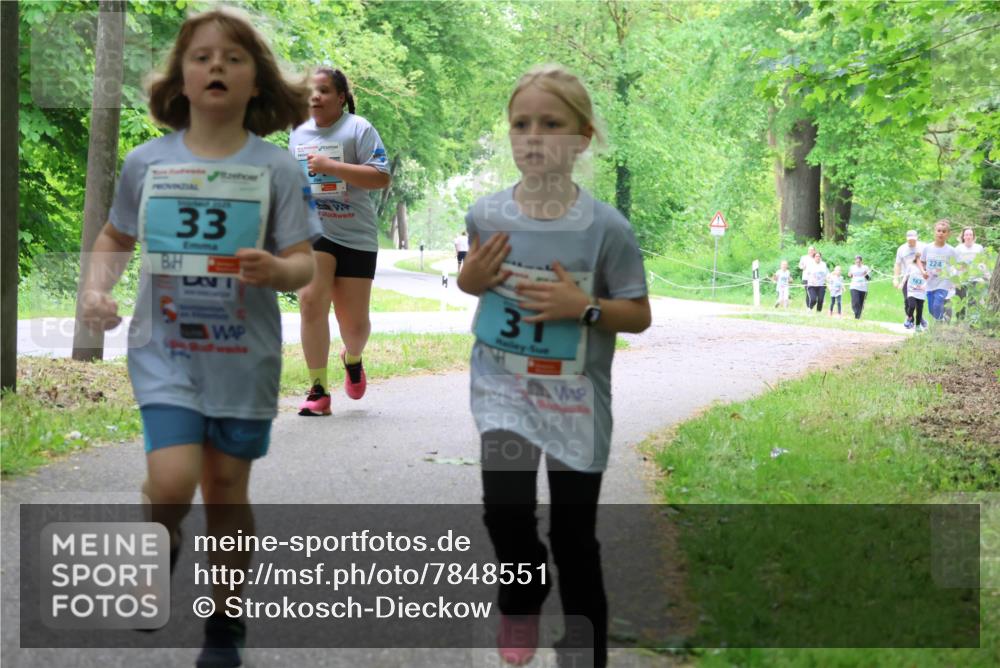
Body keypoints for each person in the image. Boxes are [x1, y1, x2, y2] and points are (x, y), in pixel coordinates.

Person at [79, 8, 318, 667]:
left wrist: (278, 270)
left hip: (244, 360)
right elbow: (116, 237)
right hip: (167, 352)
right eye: (202, 56)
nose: (217, 65)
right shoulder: (146, 162)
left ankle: (225, 623)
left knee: (226, 491)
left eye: (234, 58)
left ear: (257, 84)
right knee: (173, 479)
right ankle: (162, 537)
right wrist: (97, 291)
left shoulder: (277, 170)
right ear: (180, 79)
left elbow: (304, 262)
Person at [457, 65, 651, 668]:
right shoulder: (487, 215)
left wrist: (584, 308)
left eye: (550, 123)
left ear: (583, 137)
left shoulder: (605, 228)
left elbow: (639, 314)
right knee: (506, 512)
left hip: (574, 403)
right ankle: (521, 595)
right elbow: (472, 280)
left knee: (573, 536)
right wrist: (471, 278)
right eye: (521, 124)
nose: (533, 136)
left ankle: (584, 647)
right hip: (504, 394)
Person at [290, 67, 391, 416]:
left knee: (355, 327)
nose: (315, 97)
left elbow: (381, 177)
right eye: (310, 91)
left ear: (341, 97)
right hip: (314, 230)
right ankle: (318, 390)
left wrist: (331, 166)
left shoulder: (358, 128)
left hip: (355, 234)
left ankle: (353, 357)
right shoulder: (297, 133)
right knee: (310, 302)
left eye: (324, 91)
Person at [921, 219, 958, 322]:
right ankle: (942, 321)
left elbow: (956, 266)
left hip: (944, 282)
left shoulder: (951, 250)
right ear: (934, 232)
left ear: (948, 234)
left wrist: (954, 280)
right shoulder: (927, 248)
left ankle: (941, 324)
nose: (941, 233)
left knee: (937, 304)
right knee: (931, 310)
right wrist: (923, 272)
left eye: (944, 231)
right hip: (930, 283)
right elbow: (922, 262)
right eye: (939, 230)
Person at [893, 229, 926, 329]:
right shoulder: (901, 249)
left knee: (919, 300)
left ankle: (920, 319)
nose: (912, 242)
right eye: (909, 240)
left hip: (920, 277)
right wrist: (895, 278)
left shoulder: (923, 247)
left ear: (917, 238)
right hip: (907, 277)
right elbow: (897, 264)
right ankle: (910, 319)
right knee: (908, 300)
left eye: (913, 240)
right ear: (906, 239)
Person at [954, 227, 987, 319]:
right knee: (961, 300)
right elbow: (954, 264)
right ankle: (960, 320)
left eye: (970, 235)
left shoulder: (979, 247)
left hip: (975, 277)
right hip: (962, 278)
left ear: (973, 237)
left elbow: (982, 262)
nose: (968, 236)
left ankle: (972, 320)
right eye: (966, 235)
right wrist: (955, 280)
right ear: (963, 237)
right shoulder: (958, 248)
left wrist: (985, 274)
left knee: (972, 301)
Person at [905, 260, 929, 332]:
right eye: (921, 262)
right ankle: (909, 318)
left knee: (919, 309)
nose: (922, 264)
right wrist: (902, 283)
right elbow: (906, 276)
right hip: (912, 291)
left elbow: (929, 280)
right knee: (912, 306)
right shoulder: (911, 267)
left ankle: (918, 326)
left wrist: (924, 286)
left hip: (921, 292)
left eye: (924, 262)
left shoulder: (927, 270)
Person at [847, 255, 871, 320]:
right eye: (856, 262)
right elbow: (850, 275)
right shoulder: (852, 267)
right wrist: (849, 275)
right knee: (855, 302)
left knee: (861, 303)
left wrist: (866, 274)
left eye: (859, 262)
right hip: (854, 287)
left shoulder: (865, 268)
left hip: (863, 288)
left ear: (861, 261)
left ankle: (858, 317)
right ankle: (856, 312)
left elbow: (869, 278)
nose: (858, 263)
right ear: (854, 261)